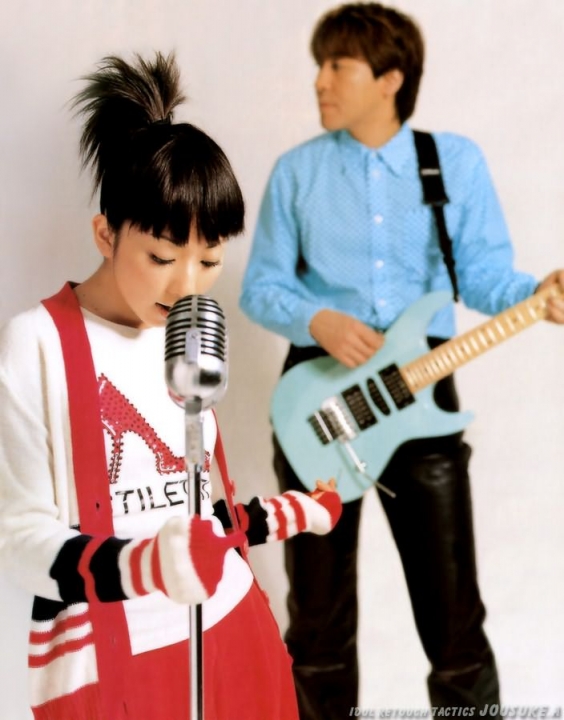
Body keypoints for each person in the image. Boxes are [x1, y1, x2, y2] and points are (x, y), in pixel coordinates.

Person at [239, 3, 564, 718]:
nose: (319, 81)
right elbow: (260, 287)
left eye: (337, 65)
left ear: (390, 78)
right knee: (317, 625)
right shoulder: (297, 173)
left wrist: (537, 295)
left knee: (455, 621)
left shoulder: (454, 162)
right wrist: (317, 319)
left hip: (424, 393)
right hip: (319, 401)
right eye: (319, 65)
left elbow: (482, 276)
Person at [0, 51, 343, 720]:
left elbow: (202, 511)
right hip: (112, 660)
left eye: (209, 260)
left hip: (236, 629)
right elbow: (18, 540)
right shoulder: (37, 343)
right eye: (161, 256)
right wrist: (146, 567)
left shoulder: (187, 334)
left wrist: (299, 510)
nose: (187, 285)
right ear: (106, 233)